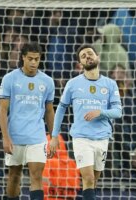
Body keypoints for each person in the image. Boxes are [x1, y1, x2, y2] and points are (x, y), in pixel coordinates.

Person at [49, 44, 122, 200]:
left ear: (98, 57)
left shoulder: (110, 84)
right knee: (88, 179)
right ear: (80, 64)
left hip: (102, 138)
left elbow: (118, 112)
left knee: (94, 182)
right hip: (81, 138)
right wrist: (54, 136)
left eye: (90, 53)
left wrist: (101, 112)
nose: (87, 56)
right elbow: (61, 109)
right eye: (83, 56)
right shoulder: (73, 84)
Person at [0, 42, 55, 200]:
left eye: (37, 59)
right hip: (15, 136)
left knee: (36, 177)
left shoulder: (47, 81)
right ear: (23, 57)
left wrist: (54, 137)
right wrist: (5, 137)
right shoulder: (10, 78)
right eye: (30, 58)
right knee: (14, 176)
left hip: (37, 137)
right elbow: (2, 109)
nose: (33, 62)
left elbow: (49, 111)